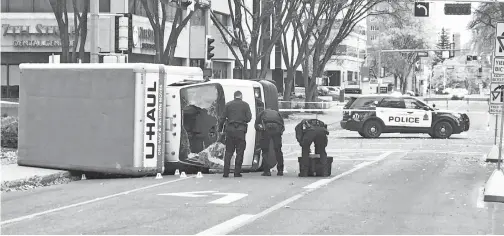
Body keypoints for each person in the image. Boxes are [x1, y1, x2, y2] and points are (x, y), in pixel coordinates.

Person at [218, 91, 252, 178]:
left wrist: (220, 130)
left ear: (234, 96)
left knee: (229, 152)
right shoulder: (245, 105)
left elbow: (222, 118)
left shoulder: (228, 105)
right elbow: (249, 118)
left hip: (230, 130)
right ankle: (237, 172)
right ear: (241, 96)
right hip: (241, 131)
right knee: (240, 152)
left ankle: (226, 172)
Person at [255, 108, 285, 176]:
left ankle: (267, 171)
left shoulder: (262, 113)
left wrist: (261, 130)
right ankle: (280, 170)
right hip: (277, 128)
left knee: (265, 150)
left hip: (266, 129)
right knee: (278, 150)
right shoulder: (277, 113)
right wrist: (279, 133)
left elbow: (256, 125)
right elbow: (282, 125)